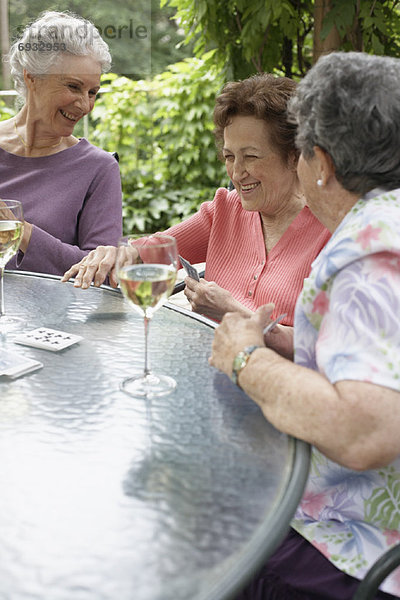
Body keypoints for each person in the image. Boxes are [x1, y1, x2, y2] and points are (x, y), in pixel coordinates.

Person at [210, 51, 400, 600]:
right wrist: (280, 340)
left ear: (318, 161)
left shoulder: (369, 255)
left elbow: (367, 432)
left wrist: (250, 361)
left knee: (207, 530)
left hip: (348, 550)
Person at [62, 73, 330, 325]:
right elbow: (153, 252)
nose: (237, 172)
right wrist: (118, 254)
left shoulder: (332, 231)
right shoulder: (226, 208)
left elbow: (322, 347)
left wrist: (231, 312)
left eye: (251, 157)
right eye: (229, 157)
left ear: (294, 155)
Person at [0, 11, 122, 276]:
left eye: (92, 93)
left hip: (55, 316)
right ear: (31, 76)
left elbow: (99, 272)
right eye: (73, 86)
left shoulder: (99, 169)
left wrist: (20, 230)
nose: (85, 105)